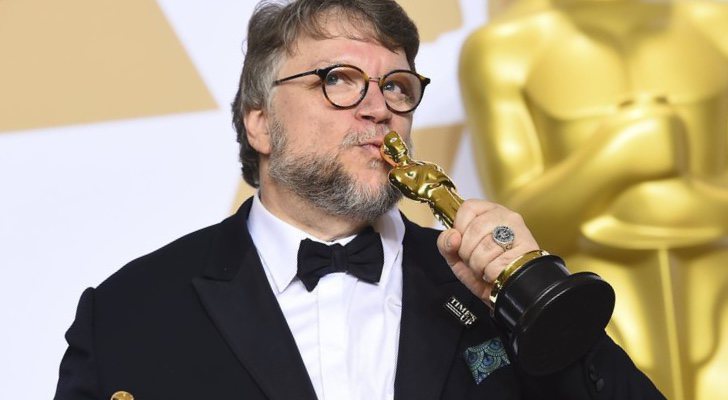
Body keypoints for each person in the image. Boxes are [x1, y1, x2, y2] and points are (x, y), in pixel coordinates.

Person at [54, 0, 663, 399]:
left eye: (396, 86)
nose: (379, 108)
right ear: (260, 123)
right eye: (338, 80)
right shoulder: (128, 312)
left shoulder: (484, 289)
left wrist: (538, 299)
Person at [459, 1, 728, 399]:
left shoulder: (716, 22)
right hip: (589, 297)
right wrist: (612, 159)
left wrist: (687, 202)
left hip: (716, 287)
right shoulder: (503, 48)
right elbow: (514, 228)